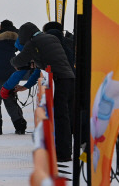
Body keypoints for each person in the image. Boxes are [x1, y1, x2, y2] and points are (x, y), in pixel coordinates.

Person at [11, 22, 76, 161]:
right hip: (70, 77)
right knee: (66, 116)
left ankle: (63, 154)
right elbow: (47, 60)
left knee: (60, 117)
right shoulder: (50, 38)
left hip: (60, 79)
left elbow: (18, 60)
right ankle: (66, 150)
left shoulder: (34, 42)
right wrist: (33, 63)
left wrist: (13, 62)